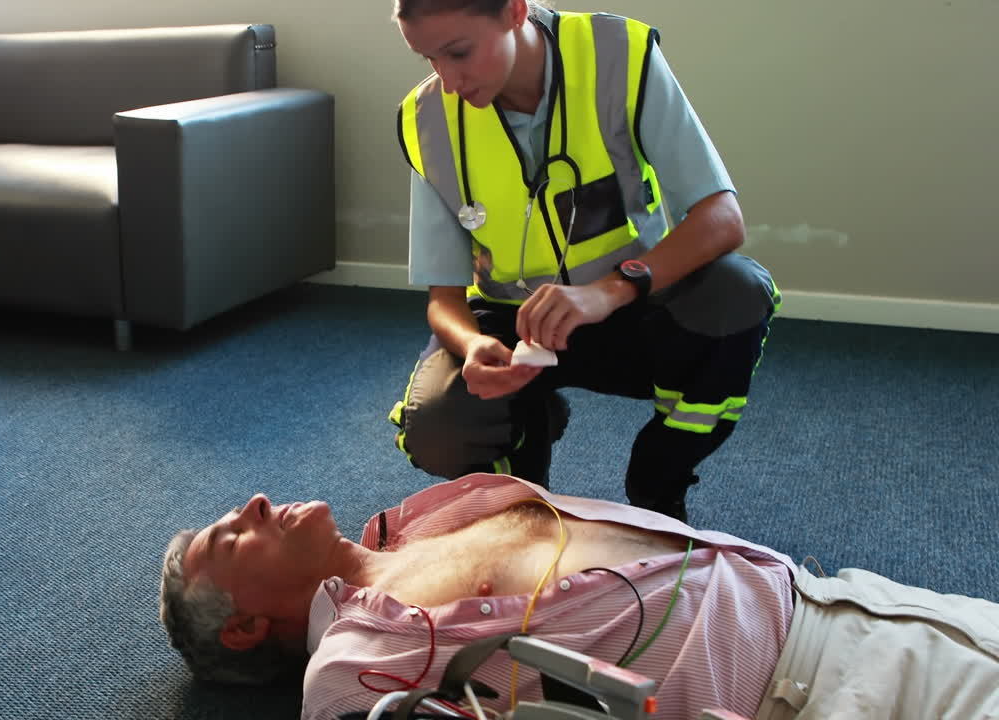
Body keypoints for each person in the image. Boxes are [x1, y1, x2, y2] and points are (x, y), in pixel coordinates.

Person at [159, 474, 999, 720]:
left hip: (845, 606)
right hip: (822, 690)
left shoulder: (422, 522)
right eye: (230, 537)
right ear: (243, 629)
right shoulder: (350, 668)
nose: (256, 506)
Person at [384, 0, 781, 521]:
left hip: (634, 306)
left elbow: (722, 217)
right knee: (437, 425)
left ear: (514, 11)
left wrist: (610, 290)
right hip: (513, 327)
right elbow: (444, 299)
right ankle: (524, 475)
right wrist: (473, 344)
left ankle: (659, 479)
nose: (449, 81)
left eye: (458, 52)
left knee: (738, 293)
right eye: (428, 59)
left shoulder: (618, 56)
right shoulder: (427, 120)